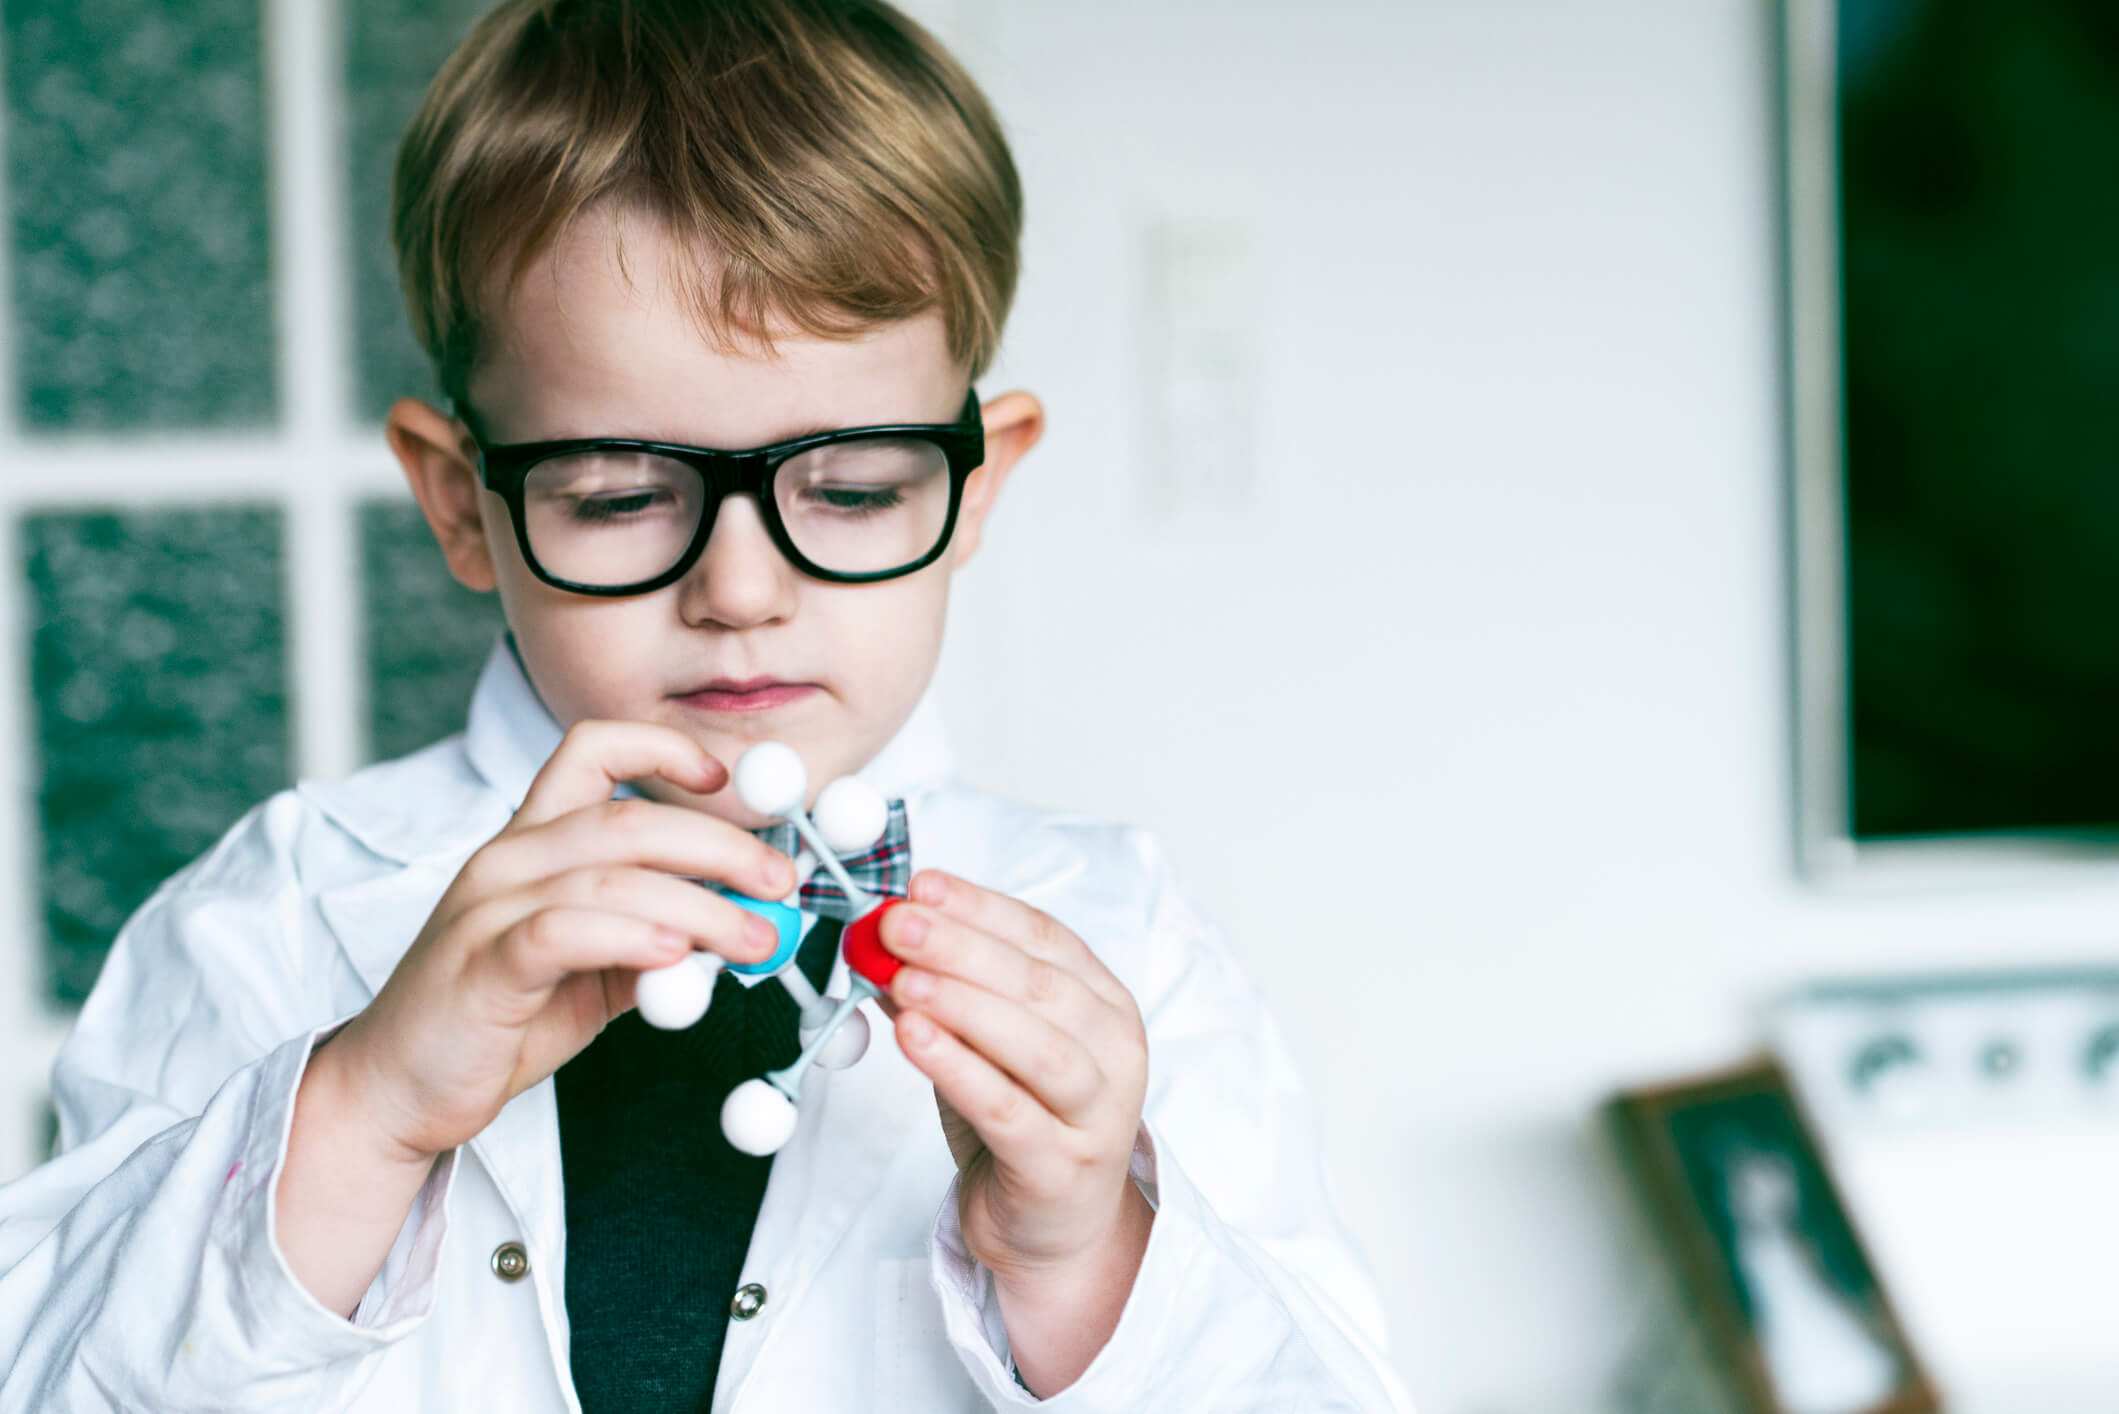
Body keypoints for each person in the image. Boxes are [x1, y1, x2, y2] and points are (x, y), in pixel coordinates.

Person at [0, 1, 1413, 1408]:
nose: (742, 587)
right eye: (619, 494)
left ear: (975, 484)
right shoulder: (277, 918)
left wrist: (1090, 1257)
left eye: (855, 487)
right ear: (460, 505)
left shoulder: (1126, 940)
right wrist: (360, 1114)